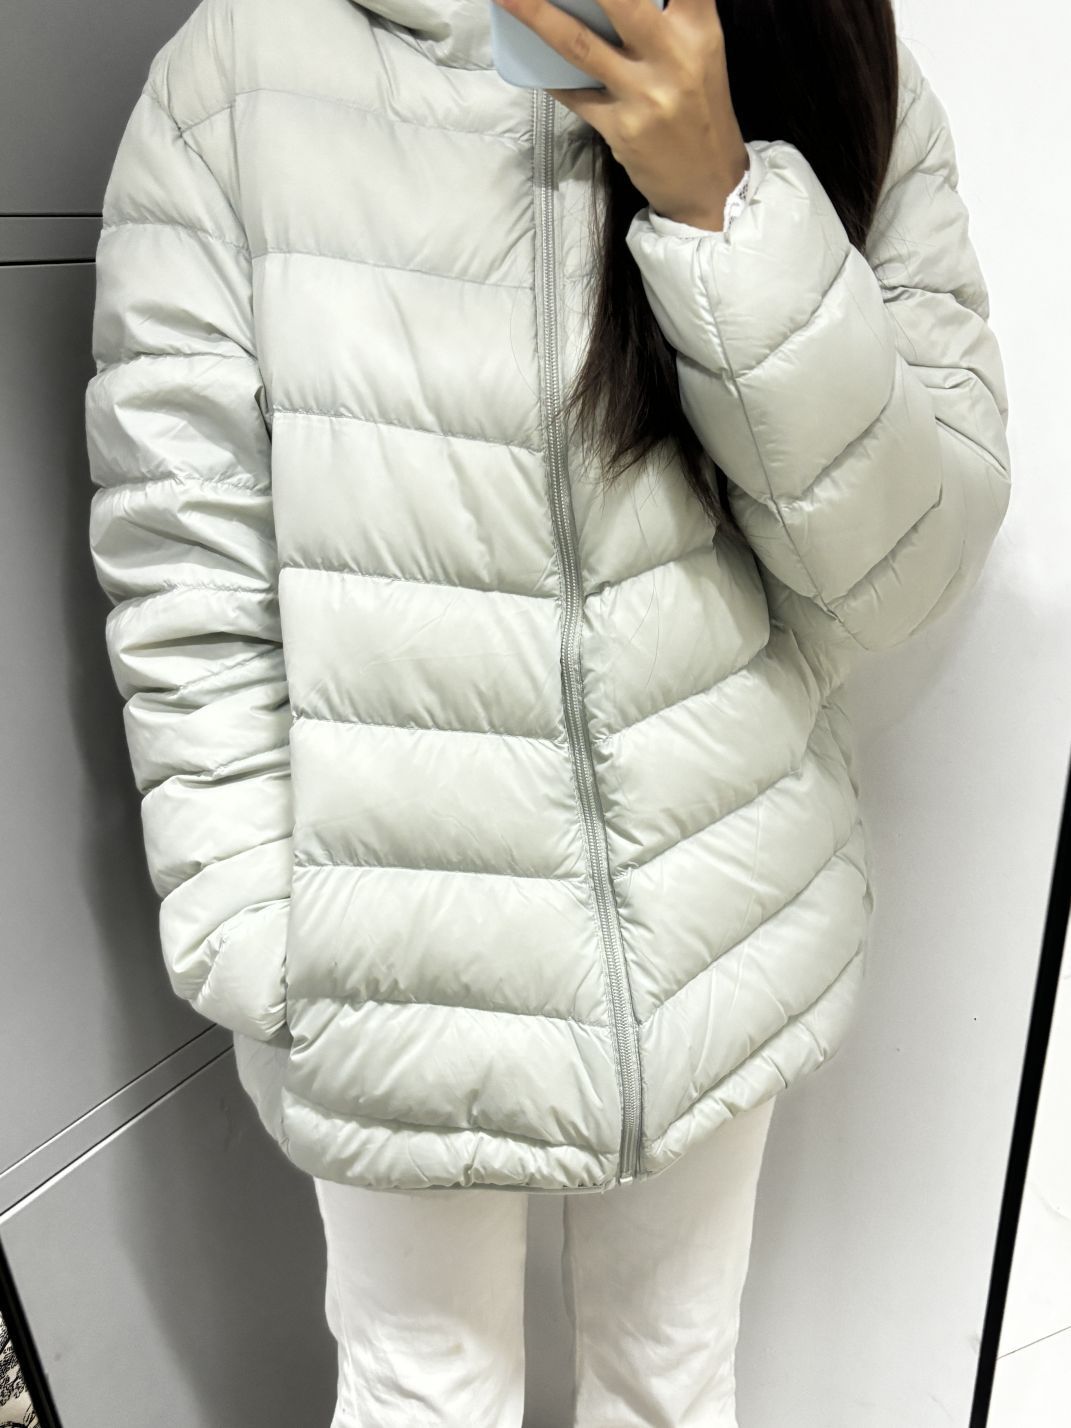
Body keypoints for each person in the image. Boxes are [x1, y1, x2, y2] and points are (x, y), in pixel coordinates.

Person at [83, 0, 1012, 1421]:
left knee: (671, 1382)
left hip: (712, 911)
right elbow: (183, 560)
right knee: (422, 1397)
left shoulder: (813, 39)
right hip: (387, 955)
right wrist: (261, 941)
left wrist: (721, 205)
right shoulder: (235, 78)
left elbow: (906, 570)